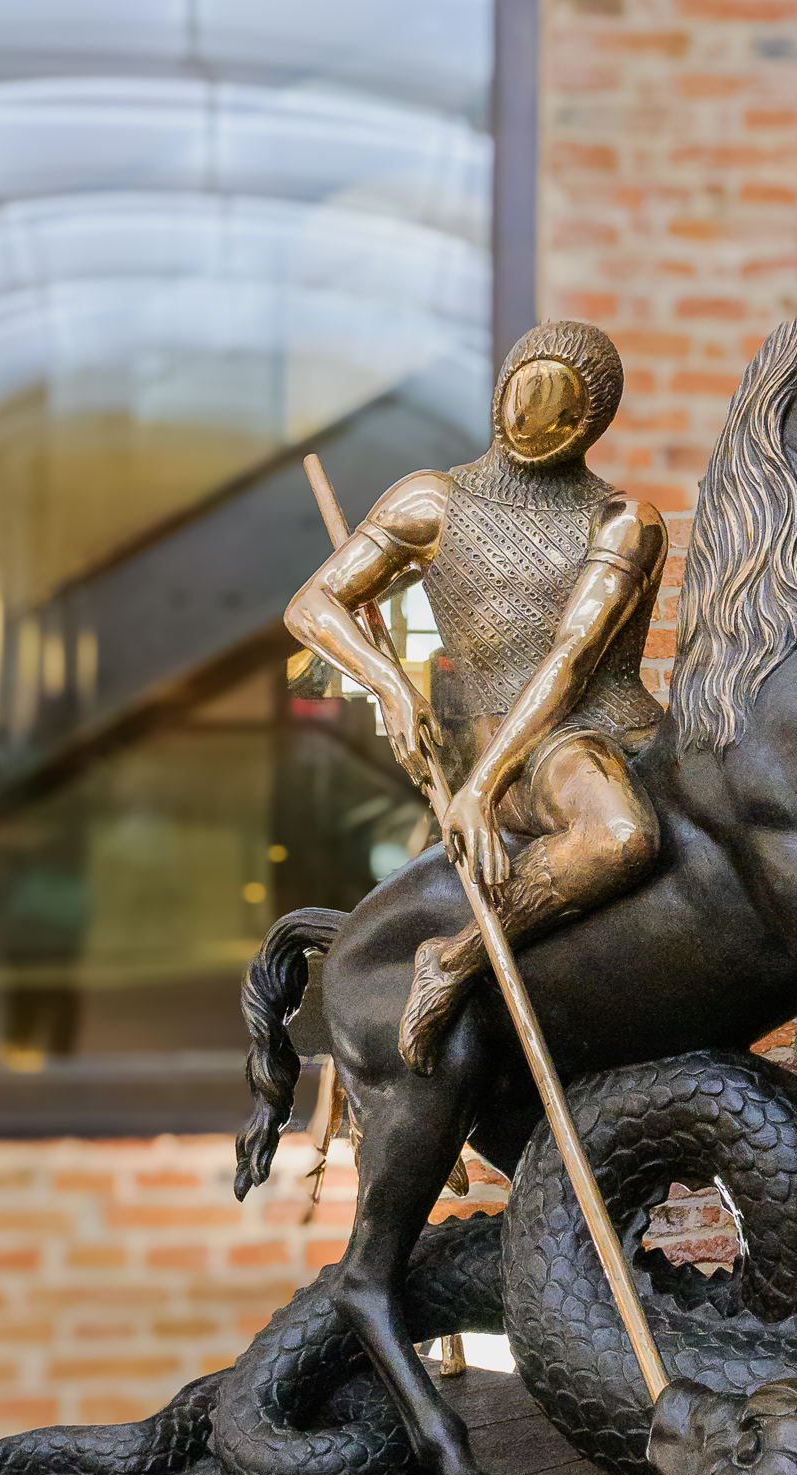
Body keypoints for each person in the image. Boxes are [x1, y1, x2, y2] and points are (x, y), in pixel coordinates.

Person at [285, 321, 667, 1073]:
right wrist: (392, 685)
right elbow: (313, 606)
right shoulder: (433, 502)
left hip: (617, 726)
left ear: (590, 422)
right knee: (620, 837)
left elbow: (573, 657)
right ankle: (454, 960)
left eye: (560, 408)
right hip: (536, 748)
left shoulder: (623, 521)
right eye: (524, 396)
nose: (531, 420)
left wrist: (480, 787)